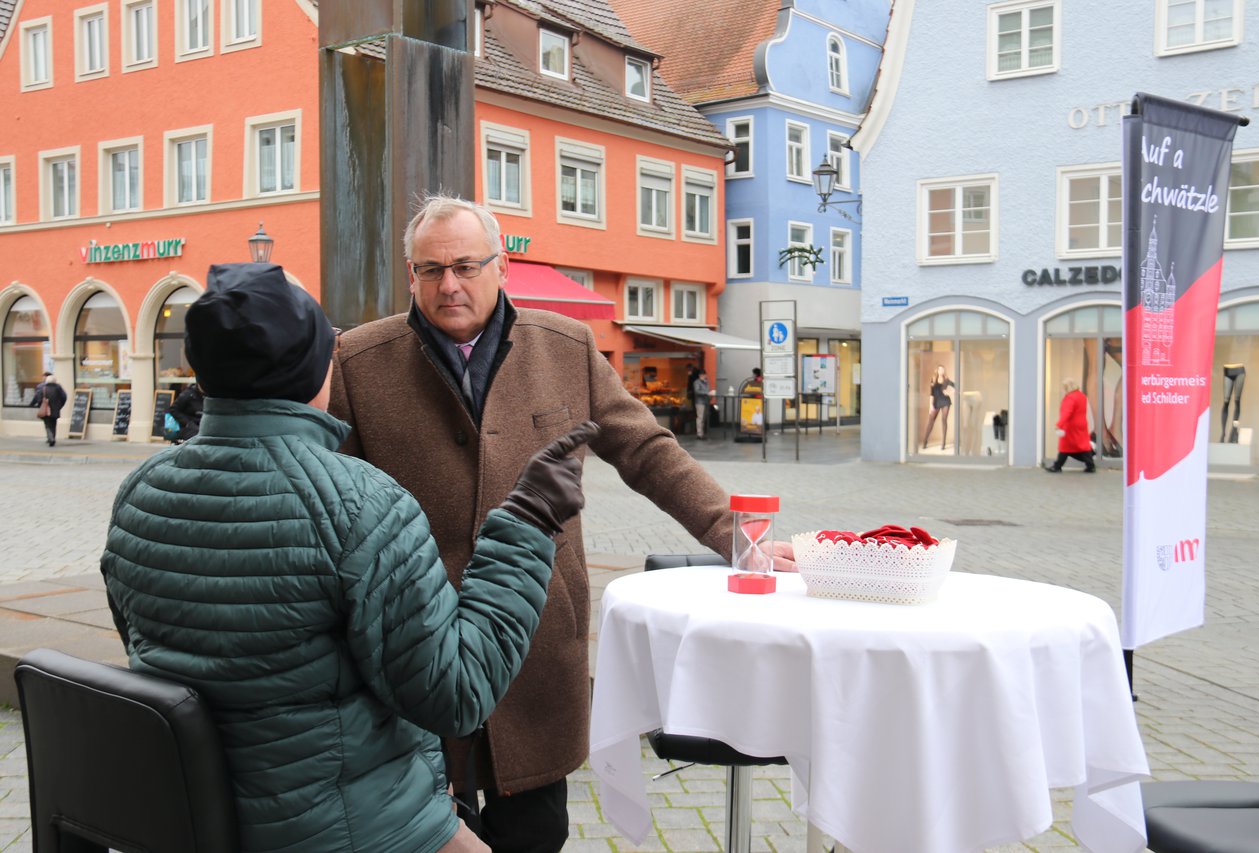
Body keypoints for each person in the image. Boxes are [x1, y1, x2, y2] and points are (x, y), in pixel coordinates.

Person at [328, 195, 792, 853]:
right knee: (426, 834)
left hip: (536, 642)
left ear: (501, 265)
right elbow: (331, 498)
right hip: (417, 650)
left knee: (537, 832)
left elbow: (646, 450)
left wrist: (736, 535)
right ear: (411, 274)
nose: (448, 284)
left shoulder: (565, 347)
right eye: (430, 269)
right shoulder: (360, 360)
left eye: (464, 265)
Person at [100, 261, 599, 853]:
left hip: (191, 811)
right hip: (344, 824)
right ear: (317, 368)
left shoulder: (142, 491)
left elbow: (146, 646)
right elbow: (457, 695)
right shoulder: (361, 504)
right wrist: (528, 521)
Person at [1047, 378, 1096, 473]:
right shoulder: (1081, 396)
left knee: (1065, 446)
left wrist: (1059, 424)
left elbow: (1067, 413)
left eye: (1064, 388)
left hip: (1071, 426)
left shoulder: (1070, 398)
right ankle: (1090, 465)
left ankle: (1057, 466)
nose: (1063, 390)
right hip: (1081, 424)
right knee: (1082, 445)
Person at [921, 364, 954, 450]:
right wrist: (930, 406)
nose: (941, 371)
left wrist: (949, 393)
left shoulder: (946, 380)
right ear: (937, 371)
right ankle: (925, 441)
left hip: (945, 401)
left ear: (944, 371)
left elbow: (956, 386)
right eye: (939, 369)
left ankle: (943, 443)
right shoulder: (933, 380)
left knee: (944, 420)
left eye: (942, 369)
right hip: (936, 402)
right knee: (931, 421)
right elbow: (932, 394)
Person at [30, 372, 66, 446]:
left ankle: (50, 438)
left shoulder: (43, 387)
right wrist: (60, 405)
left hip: (46, 409)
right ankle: (53, 437)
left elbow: (38, 397)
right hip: (55, 409)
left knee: (47, 424)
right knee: (54, 423)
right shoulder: (58, 388)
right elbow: (64, 397)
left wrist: (36, 405)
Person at [693, 368, 712, 439]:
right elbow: (697, 391)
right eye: (703, 375)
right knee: (700, 418)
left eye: (705, 375)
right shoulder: (697, 382)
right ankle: (699, 434)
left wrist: (709, 395)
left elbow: (707, 390)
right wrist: (707, 393)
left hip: (705, 402)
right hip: (699, 402)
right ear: (700, 375)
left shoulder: (706, 382)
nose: (704, 376)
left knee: (703, 418)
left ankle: (702, 433)